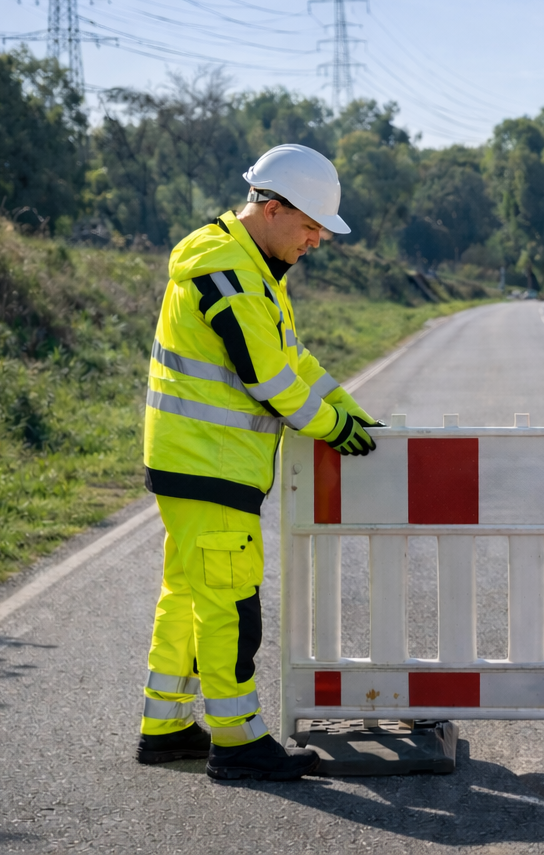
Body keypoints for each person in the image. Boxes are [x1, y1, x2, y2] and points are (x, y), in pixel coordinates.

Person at [135, 144, 383, 781]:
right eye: (309, 228)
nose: (315, 242)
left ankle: (164, 726)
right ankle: (239, 742)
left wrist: (352, 414)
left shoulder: (248, 271)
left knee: (190, 592)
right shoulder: (229, 273)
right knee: (231, 606)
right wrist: (331, 428)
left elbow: (295, 361)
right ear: (272, 209)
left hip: (201, 463)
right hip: (211, 465)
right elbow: (268, 379)